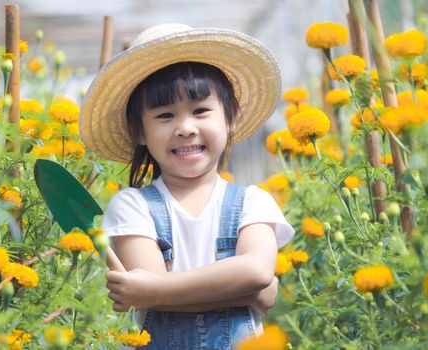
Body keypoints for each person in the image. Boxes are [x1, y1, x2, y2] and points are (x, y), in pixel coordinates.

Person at [80, 23, 295, 349]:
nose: (185, 127)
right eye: (165, 115)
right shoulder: (132, 206)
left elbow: (255, 271)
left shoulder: (254, 201)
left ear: (230, 118)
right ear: (139, 132)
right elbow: (255, 282)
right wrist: (247, 292)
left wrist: (155, 289)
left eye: (200, 111)